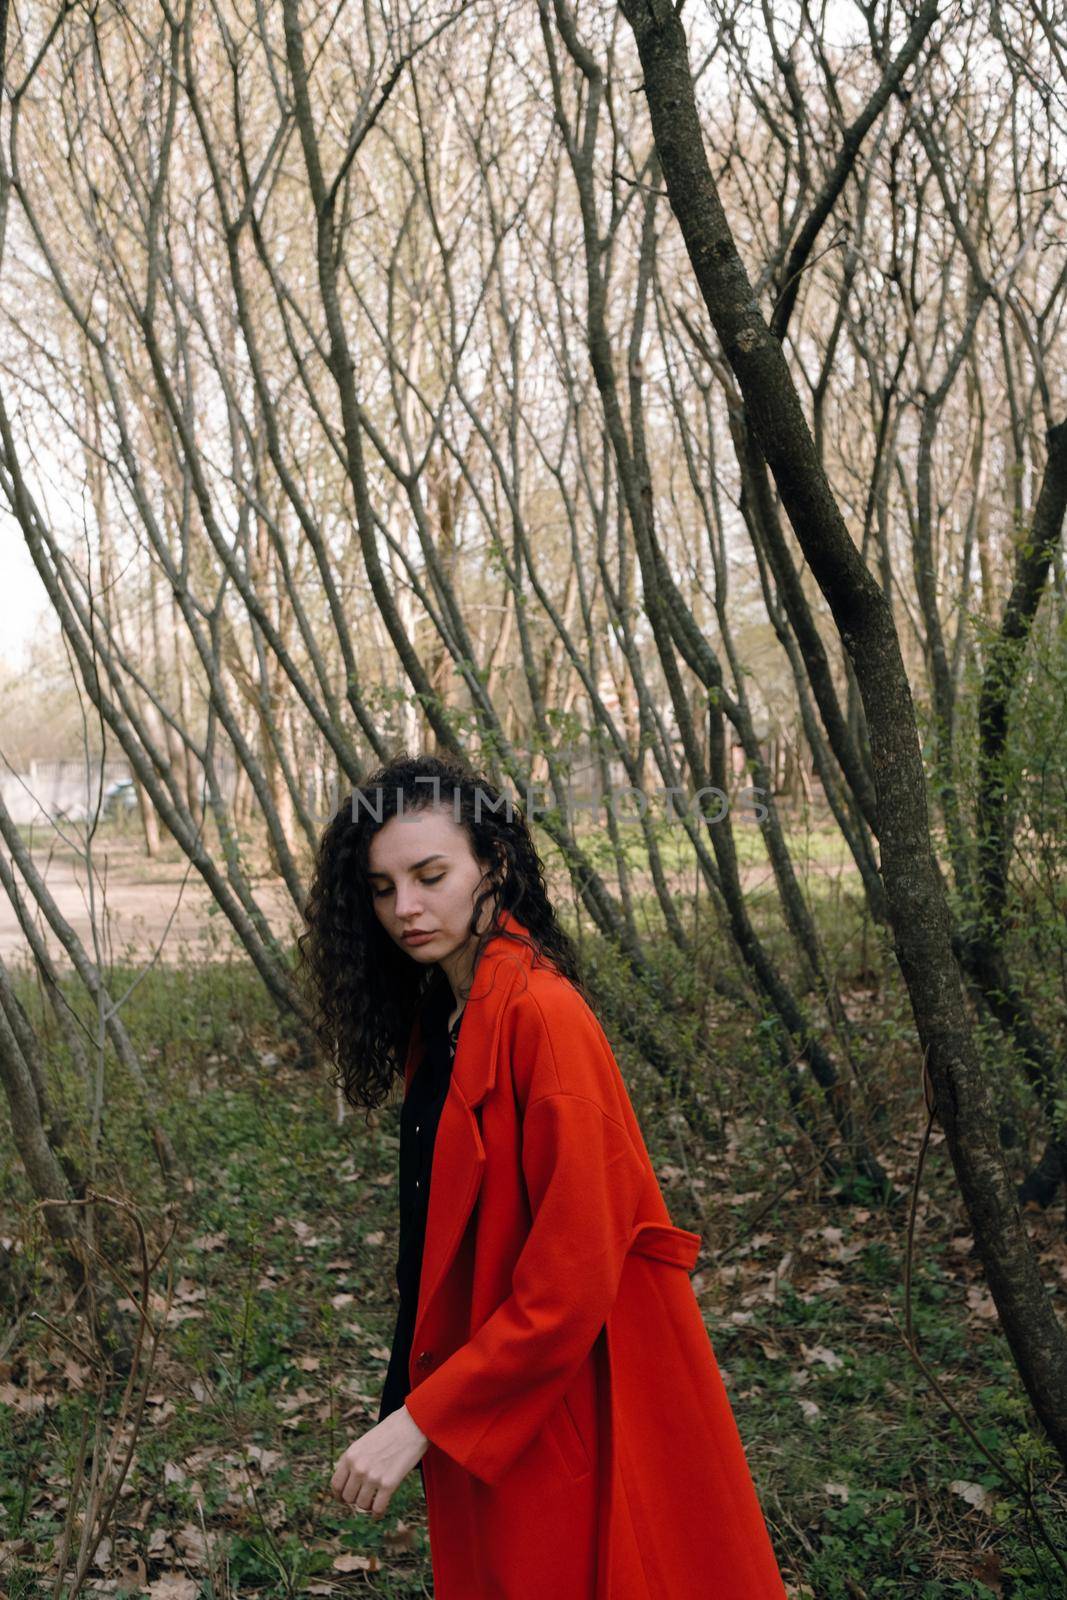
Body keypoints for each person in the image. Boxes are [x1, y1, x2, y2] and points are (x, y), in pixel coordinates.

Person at [297, 752, 790, 1599]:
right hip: (494, 1393)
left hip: (566, 1401)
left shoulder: (540, 1019)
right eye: (382, 888)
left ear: (493, 865)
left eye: (430, 874)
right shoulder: (448, 1014)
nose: (406, 908)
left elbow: (571, 1280)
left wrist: (424, 1416)